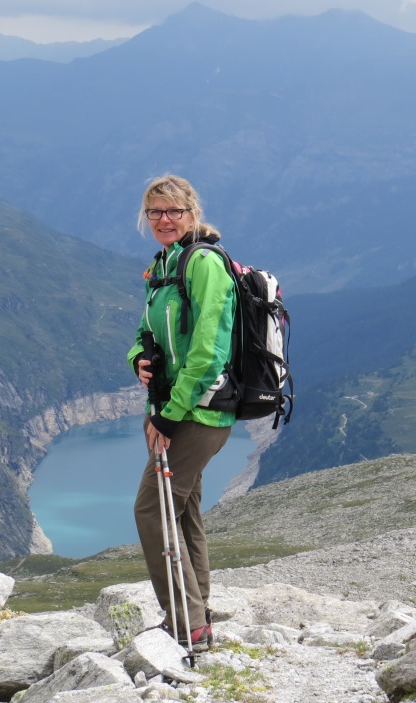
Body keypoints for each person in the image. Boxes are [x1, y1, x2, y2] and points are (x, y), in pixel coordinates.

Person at [127, 174, 237, 648]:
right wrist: (139, 359)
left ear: (192, 213)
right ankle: (198, 614)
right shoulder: (163, 266)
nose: (164, 219)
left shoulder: (203, 263)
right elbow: (144, 333)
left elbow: (209, 350)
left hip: (199, 413)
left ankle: (185, 622)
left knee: (152, 510)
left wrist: (169, 414)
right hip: (173, 409)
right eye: (155, 212)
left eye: (174, 210)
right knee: (184, 510)